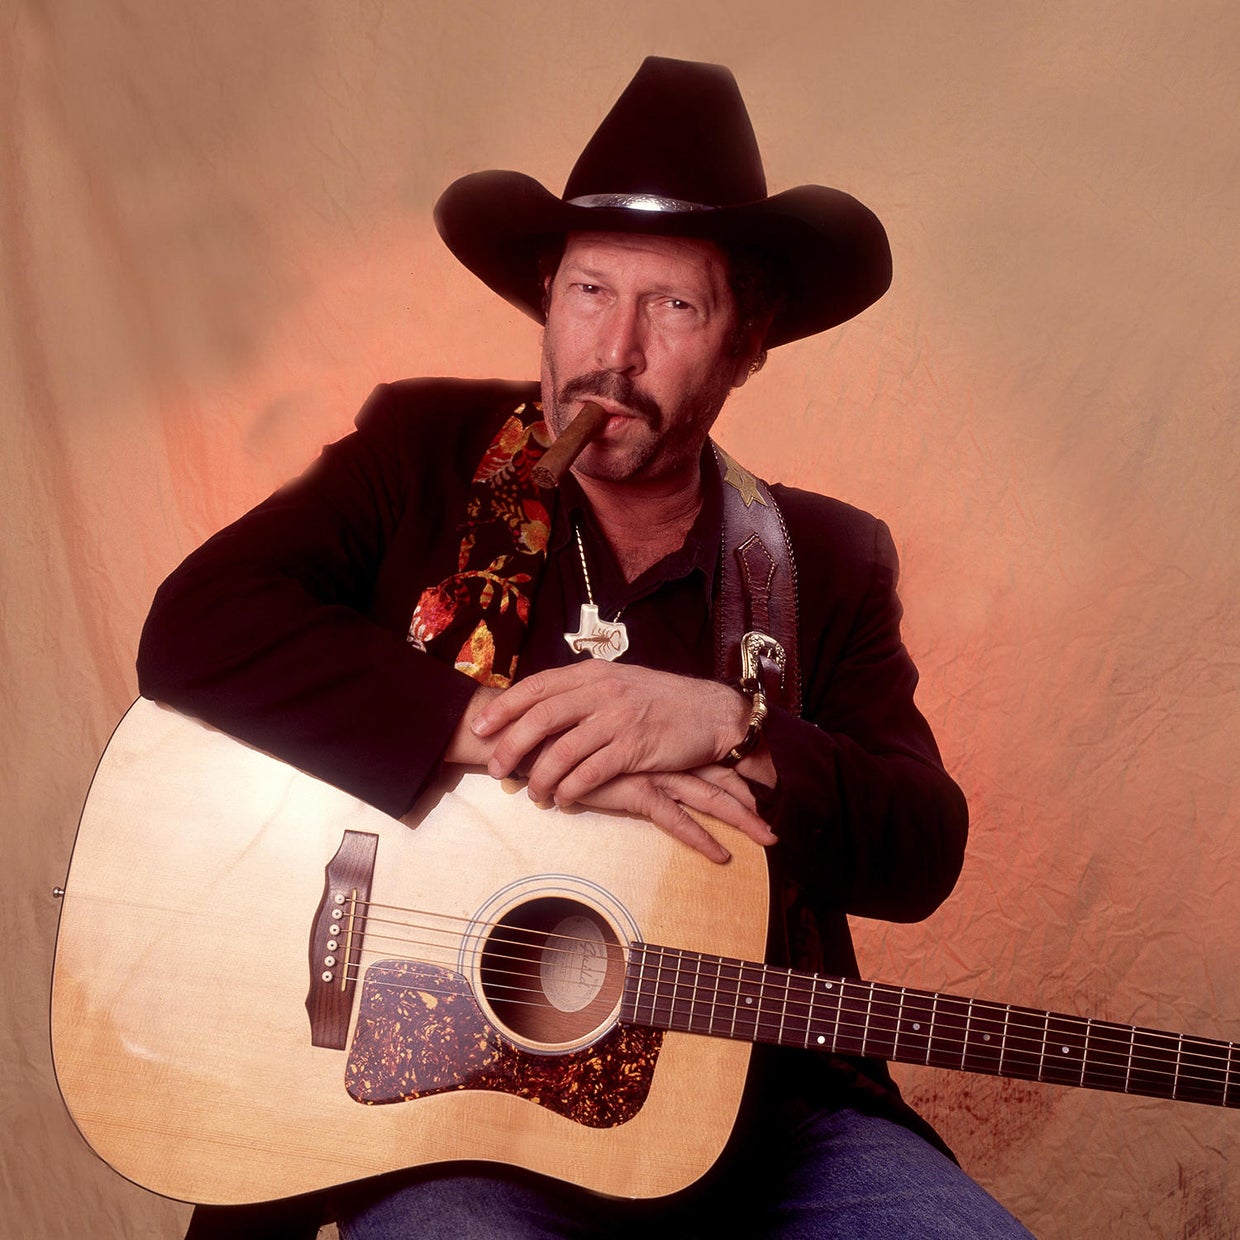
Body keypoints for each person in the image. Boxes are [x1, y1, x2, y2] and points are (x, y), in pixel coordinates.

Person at [138, 56, 1032, 1239]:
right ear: (546, 298)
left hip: (760, 1110)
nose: (614, 349)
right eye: (590, 290)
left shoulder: (825, 556)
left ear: (746, 342)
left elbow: (922, 847)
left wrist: (734, 725)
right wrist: (489, 728)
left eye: (674, 307)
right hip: (454, 1115)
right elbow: (195, 626)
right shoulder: (420, 453)